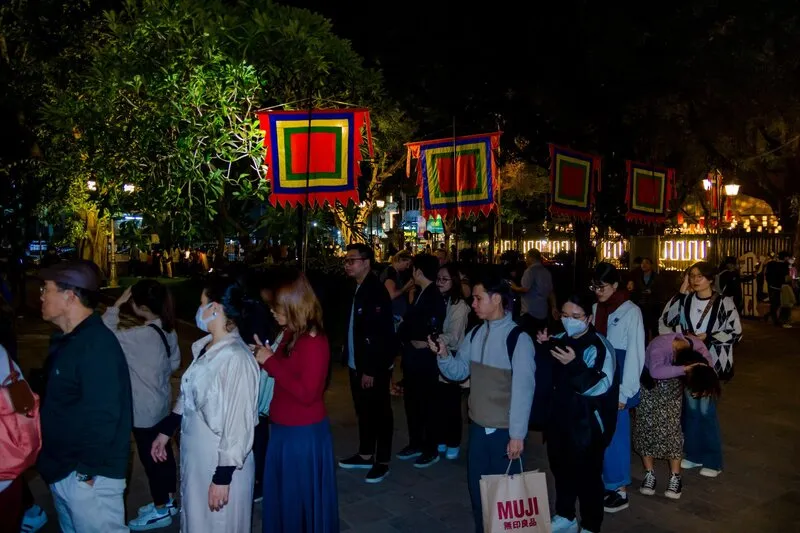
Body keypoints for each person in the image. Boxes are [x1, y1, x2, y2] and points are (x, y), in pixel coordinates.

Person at [429, 275, 536, 533]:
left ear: (496, 299)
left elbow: (524, 391)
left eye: (478, 298)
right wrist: (443, 355)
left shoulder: (518, 339)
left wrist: (517, 436)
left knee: (504, 503)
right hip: (477, 429)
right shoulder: (476, 333)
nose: (473, 304)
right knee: (478, 495)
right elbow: (458, 372)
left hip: (503, 434)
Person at [152, 278, 259, 532]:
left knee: (217, 525)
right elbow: (190, 393)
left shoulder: (236, 358)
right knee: (196, 521)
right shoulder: (205, 347)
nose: (198, 310)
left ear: (216, 308)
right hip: (198, 458)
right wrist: (167, 430)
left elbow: (239, 423)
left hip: (221, 461)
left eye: (202, 304)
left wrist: (222, 477)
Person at [37, 261, 132, 533]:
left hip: (88, 476)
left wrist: (86, 473)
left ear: (70, 296)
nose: (41, 295)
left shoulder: (96, 345)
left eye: (47, 289)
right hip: (64, 470)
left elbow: (104, 415)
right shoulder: (68, 340)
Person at [253, 271, 339, 533]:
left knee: (298, 500)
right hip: (284, 429)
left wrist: (269, 361)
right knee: (285, 497)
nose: (272, 312)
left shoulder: (314, 340)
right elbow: (280, 367)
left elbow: (308, 394)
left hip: (302, 432)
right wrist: (260, 354)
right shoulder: (291, 332)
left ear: (294, 307)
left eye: (277, 308)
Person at [535, 294, 617, 533]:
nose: (569, 321)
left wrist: (574, 364)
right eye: (565, 315)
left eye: (576, 316)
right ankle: (565, 515)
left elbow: (601, 386)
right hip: (559, 421)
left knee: (589, 479)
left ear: (589, 318)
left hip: (588, 426)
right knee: (560, 470)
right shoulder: (559, 338)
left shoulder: (599, 345)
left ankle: (591, 525)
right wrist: (543, 346)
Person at [102, 281, 181, 530]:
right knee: (164, 455)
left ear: (141, 306)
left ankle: (160, 509)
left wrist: (116, 305)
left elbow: (104, 334)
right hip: (161, 403)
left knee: (152, 461)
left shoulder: (138, 337)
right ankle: (168, 501)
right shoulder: (168, 330)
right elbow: (175, 363)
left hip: (143, 411)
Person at [659, 261, 742, 478]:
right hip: (689, 364)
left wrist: (710, 337)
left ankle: (712, 460)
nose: (695, 280)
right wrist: (681, 291)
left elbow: (736, 332)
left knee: (706, 411)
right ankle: (694, 455)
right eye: (692, 276)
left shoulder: (724, 302)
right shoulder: (685, 300)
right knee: (691, 410)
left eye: (699, 276)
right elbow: (667, 319)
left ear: (711, 279)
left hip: (712, 365)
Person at [590, 263, 645, 514]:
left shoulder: (631, 311)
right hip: (599, 378)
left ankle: (619, 489)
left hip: (619, 378)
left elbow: (635, 353)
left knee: (617, 436)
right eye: (594, 286)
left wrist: (624, 392)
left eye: (601, 286)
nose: (597, 291)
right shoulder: (596, 309)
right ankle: (604, 481)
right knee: (599, 433)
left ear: (614, 285)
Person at [634, 333, 716, 501]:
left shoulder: (695, 344)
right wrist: (684, 369)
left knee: (672, 430)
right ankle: (649, 474)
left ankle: (675, 477)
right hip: (650, 386)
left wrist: (705, 374)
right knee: (646, 427)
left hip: (672, 388)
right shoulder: (660, 345)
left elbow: (708, 363)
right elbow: (656, 371)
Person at [339, 244, 396, 483]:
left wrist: (371, 369)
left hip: (373, 366)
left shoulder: (375, 291)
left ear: (366, 262)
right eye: (346, 260)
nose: (347, 264)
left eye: (352, 260)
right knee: (363, 411)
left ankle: (382, 461)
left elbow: (380, 334)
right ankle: (364, 454)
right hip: (357, 362)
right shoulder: (357, 288)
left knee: (380, 412)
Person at [396, 254, 447, 467]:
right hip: (413, 357)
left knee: (427, 405)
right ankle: (415, 442)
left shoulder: (432, 295)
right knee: (413, 403)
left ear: (419, 271)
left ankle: (430, 447)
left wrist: (418, 338)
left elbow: (429, 324)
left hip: (425, 358)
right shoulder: (419, 293)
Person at [434, 263, 471, 460]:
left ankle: (453, 441)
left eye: (444, 279)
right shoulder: (440, 300)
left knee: (451, 404)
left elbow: (455, 335)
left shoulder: (459, 305)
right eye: (438, 278)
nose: (439, 282)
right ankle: (441, 438)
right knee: (440, 404)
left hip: (453, 356)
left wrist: (437, 339)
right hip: (439, 353)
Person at [511, 249, 555, 336]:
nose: (526, 260)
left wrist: (514, 287)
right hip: (543, 312)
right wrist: (554, 307)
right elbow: (551, 292)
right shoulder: (546, 272)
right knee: (540, 337)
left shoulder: (529, 271)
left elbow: (525, 289)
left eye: (527, 258)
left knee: (527, 338)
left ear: (531, 258)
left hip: (530, 312)